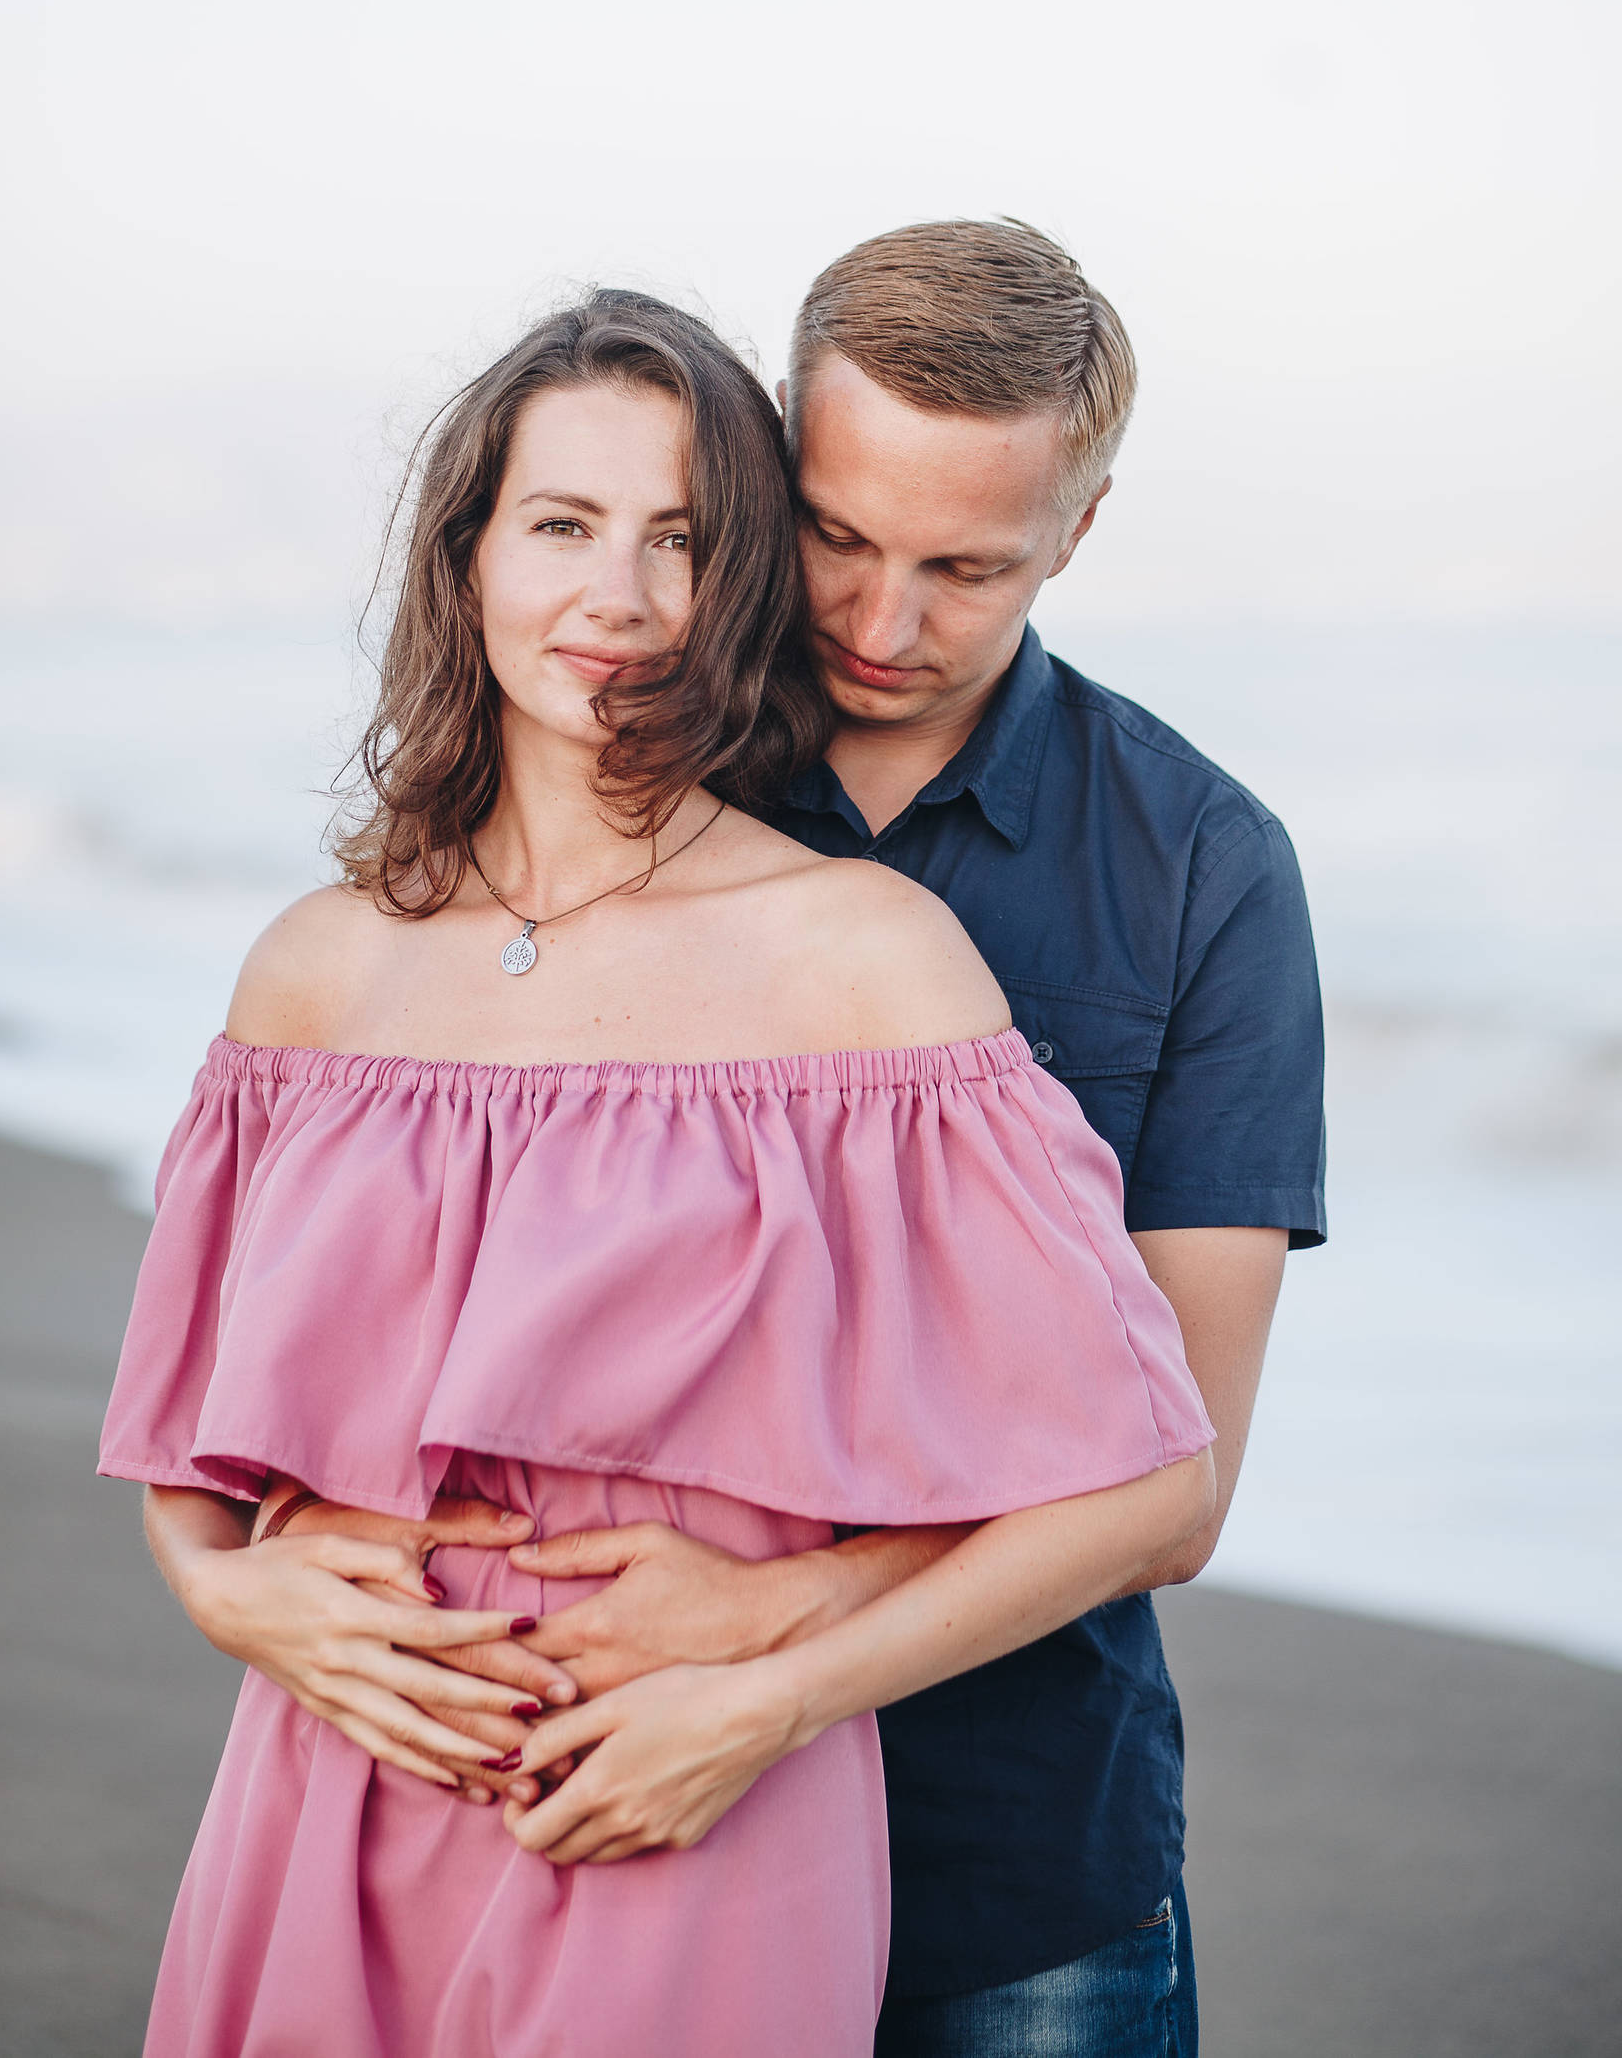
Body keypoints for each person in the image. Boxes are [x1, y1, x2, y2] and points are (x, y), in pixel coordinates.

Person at [100, 289, 1216, 2058]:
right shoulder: (315, 967)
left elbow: (1143, 1475)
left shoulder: (866, 956)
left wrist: (765, 1697)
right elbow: (186, 1445)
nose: (614, 598)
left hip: (690, 1802)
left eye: (680, 543)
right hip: (329, 1790)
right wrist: (223, 1592)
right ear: (467, 555)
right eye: (559, 525)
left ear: (741, 586)